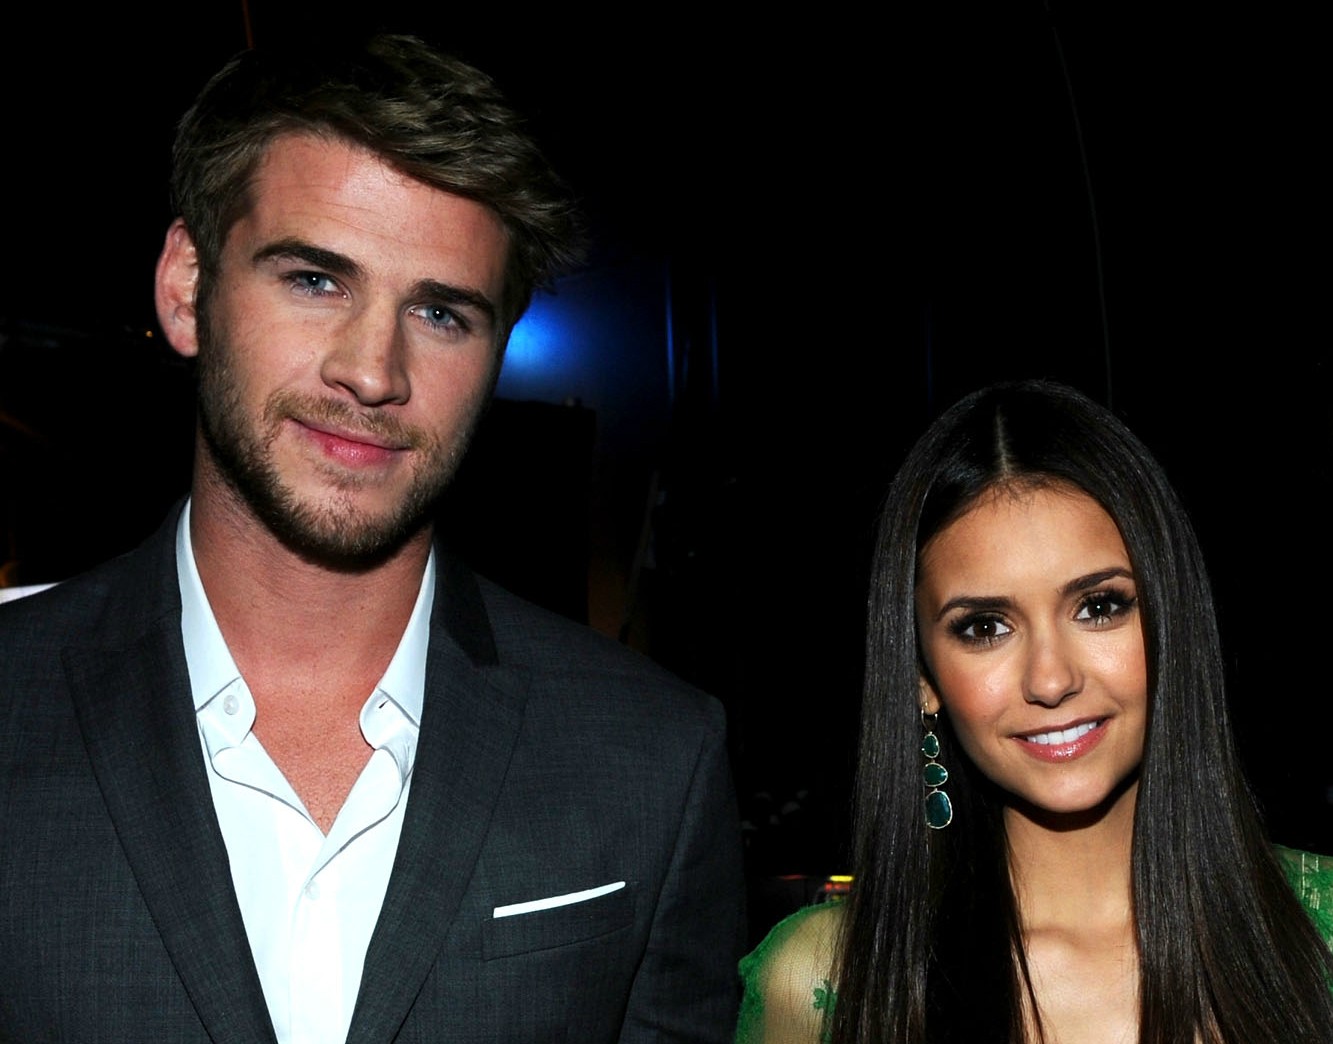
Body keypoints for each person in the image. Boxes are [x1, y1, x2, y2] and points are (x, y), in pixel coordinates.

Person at [0, 35, 745, 1043]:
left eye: (441, 312)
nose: (372, 370)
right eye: (315, 279)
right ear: (186, 288)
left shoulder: (652, 755)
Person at [735, 380, 1333, 1042]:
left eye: (1098, 606)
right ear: (921, 678)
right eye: (984, 626)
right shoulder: (824, 978)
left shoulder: (1319, 927)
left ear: (1171, 623)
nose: (1049, 680)